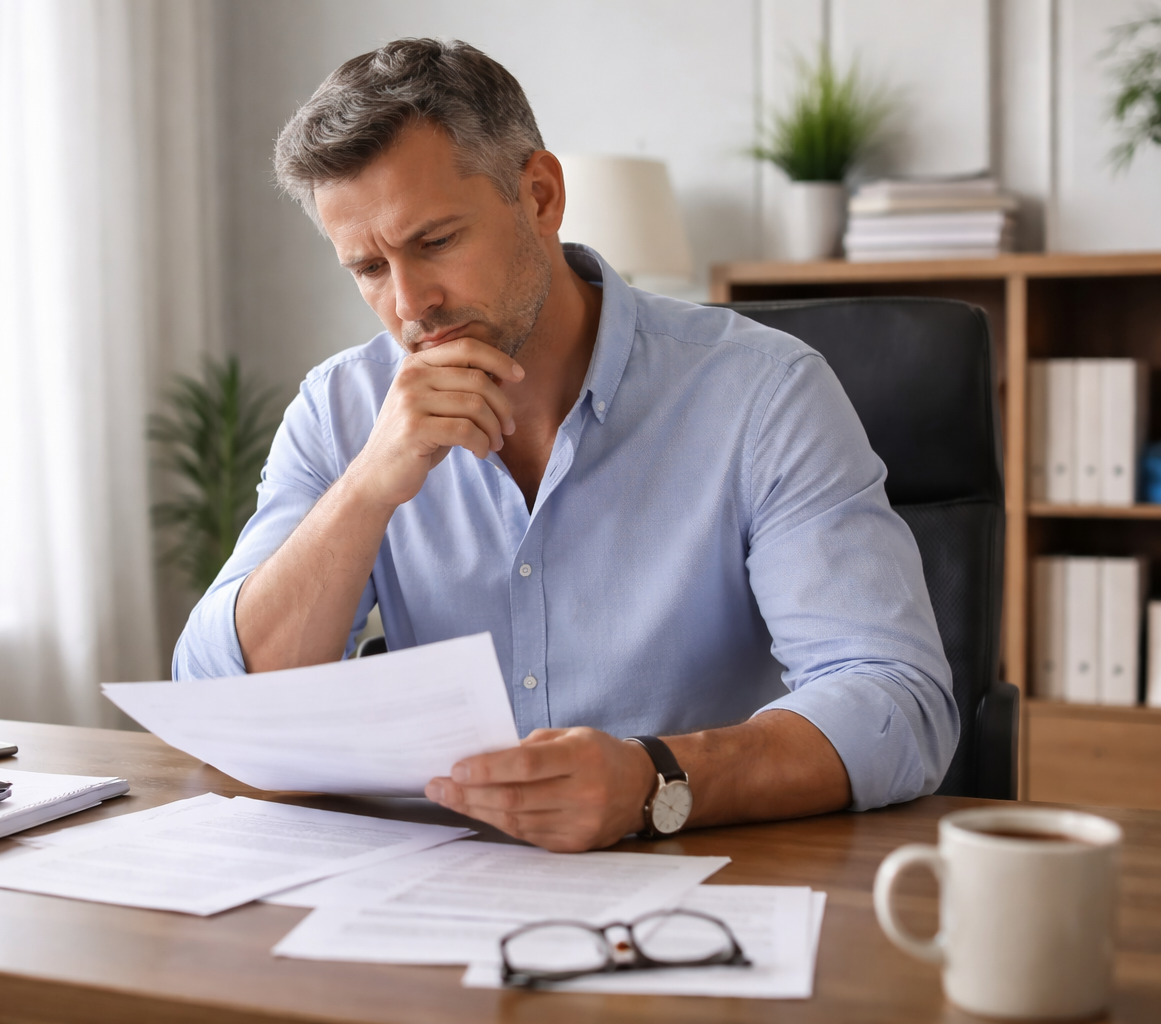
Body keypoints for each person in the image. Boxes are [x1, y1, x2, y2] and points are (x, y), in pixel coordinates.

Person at [173, 38, 956, 853]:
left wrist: (654, 778)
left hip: (699, 873)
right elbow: (222, 702)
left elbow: (899, 701)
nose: (410, 306)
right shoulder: (341, 410)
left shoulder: (764, 392)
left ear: (540, 196)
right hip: (436, 887)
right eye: (368, 267)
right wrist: (368, 487)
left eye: (435, 241)